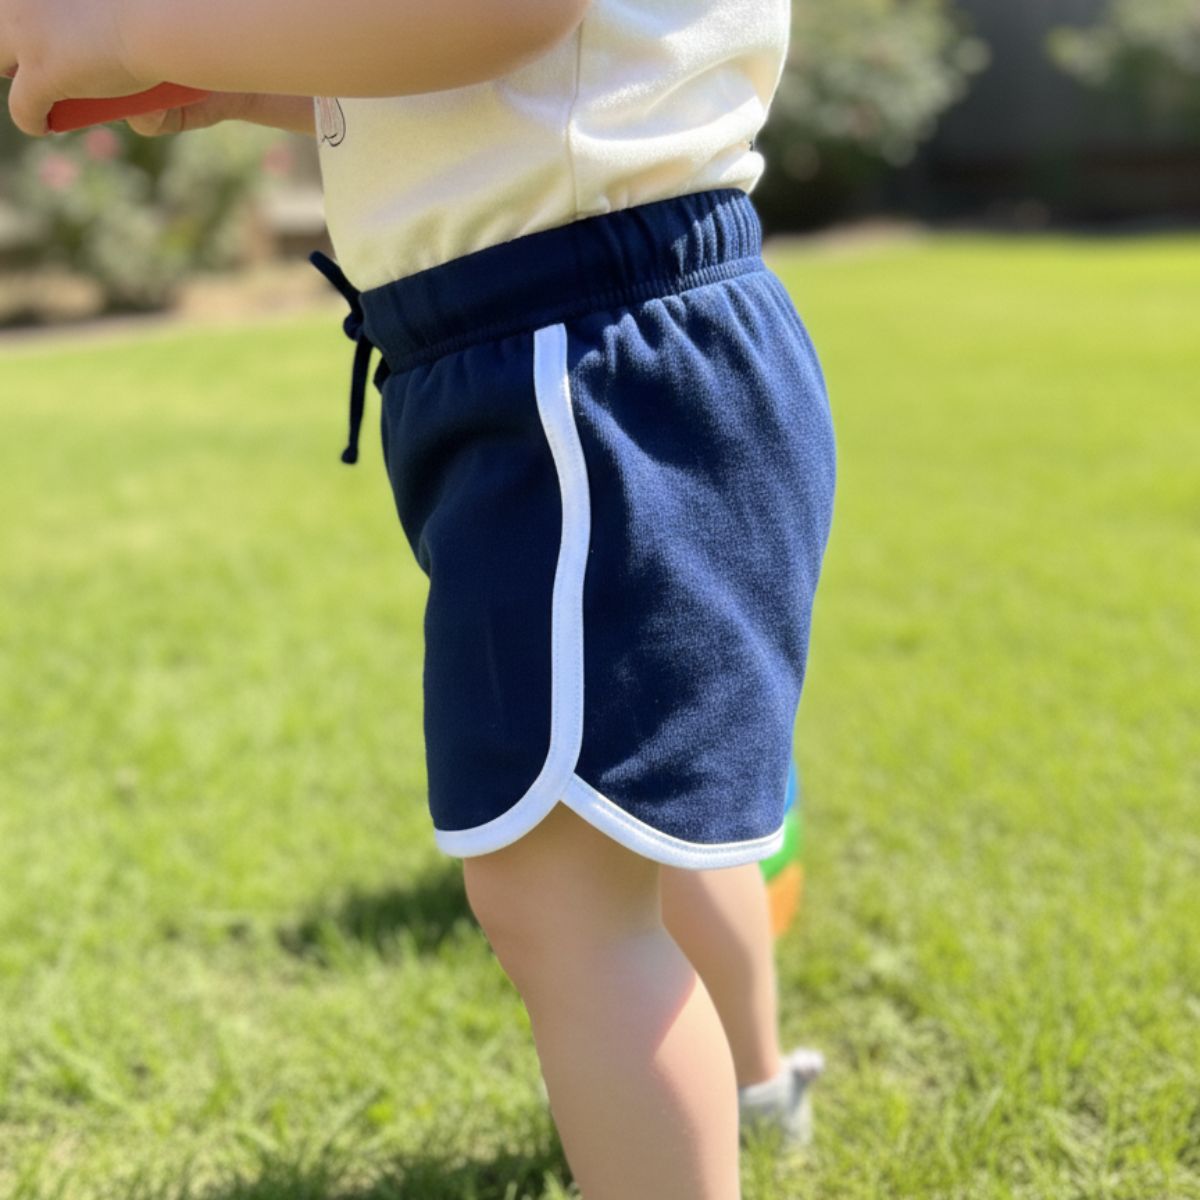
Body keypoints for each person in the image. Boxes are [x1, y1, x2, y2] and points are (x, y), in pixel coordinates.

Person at [2, 1, 836, 1194]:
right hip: (606, 333)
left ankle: (716, 1117)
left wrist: (136, 31)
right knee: (637, 817)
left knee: (557, 893)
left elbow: (501, 15)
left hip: (577, 357)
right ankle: (752, 1095)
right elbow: (484, 75)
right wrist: (232, 72)